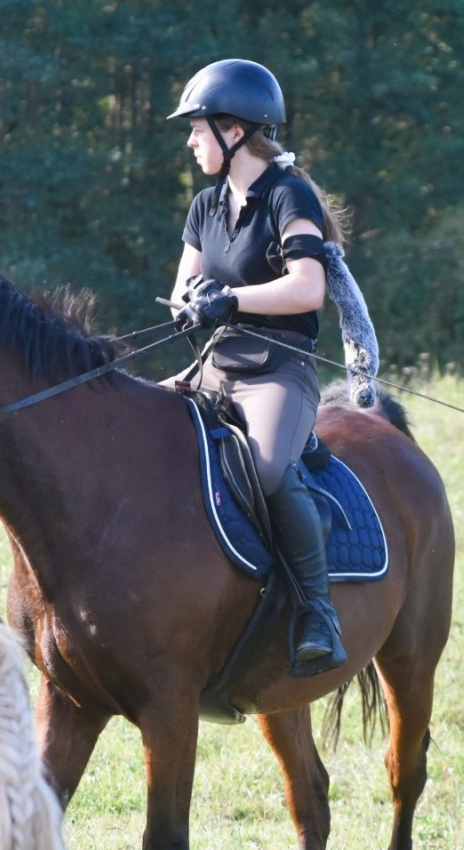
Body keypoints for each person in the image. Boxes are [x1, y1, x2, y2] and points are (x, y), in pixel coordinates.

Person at [164, 58, 350, 678]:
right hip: (215, 366)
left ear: (234, 130)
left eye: (197, 129)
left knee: (269, 470)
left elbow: (308, 287)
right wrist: (190, 303)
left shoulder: (288, 195)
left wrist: (233, 298)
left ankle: (317, 612)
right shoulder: (203, 206)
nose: (190, 141)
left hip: (280, 371)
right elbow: (184, 286)